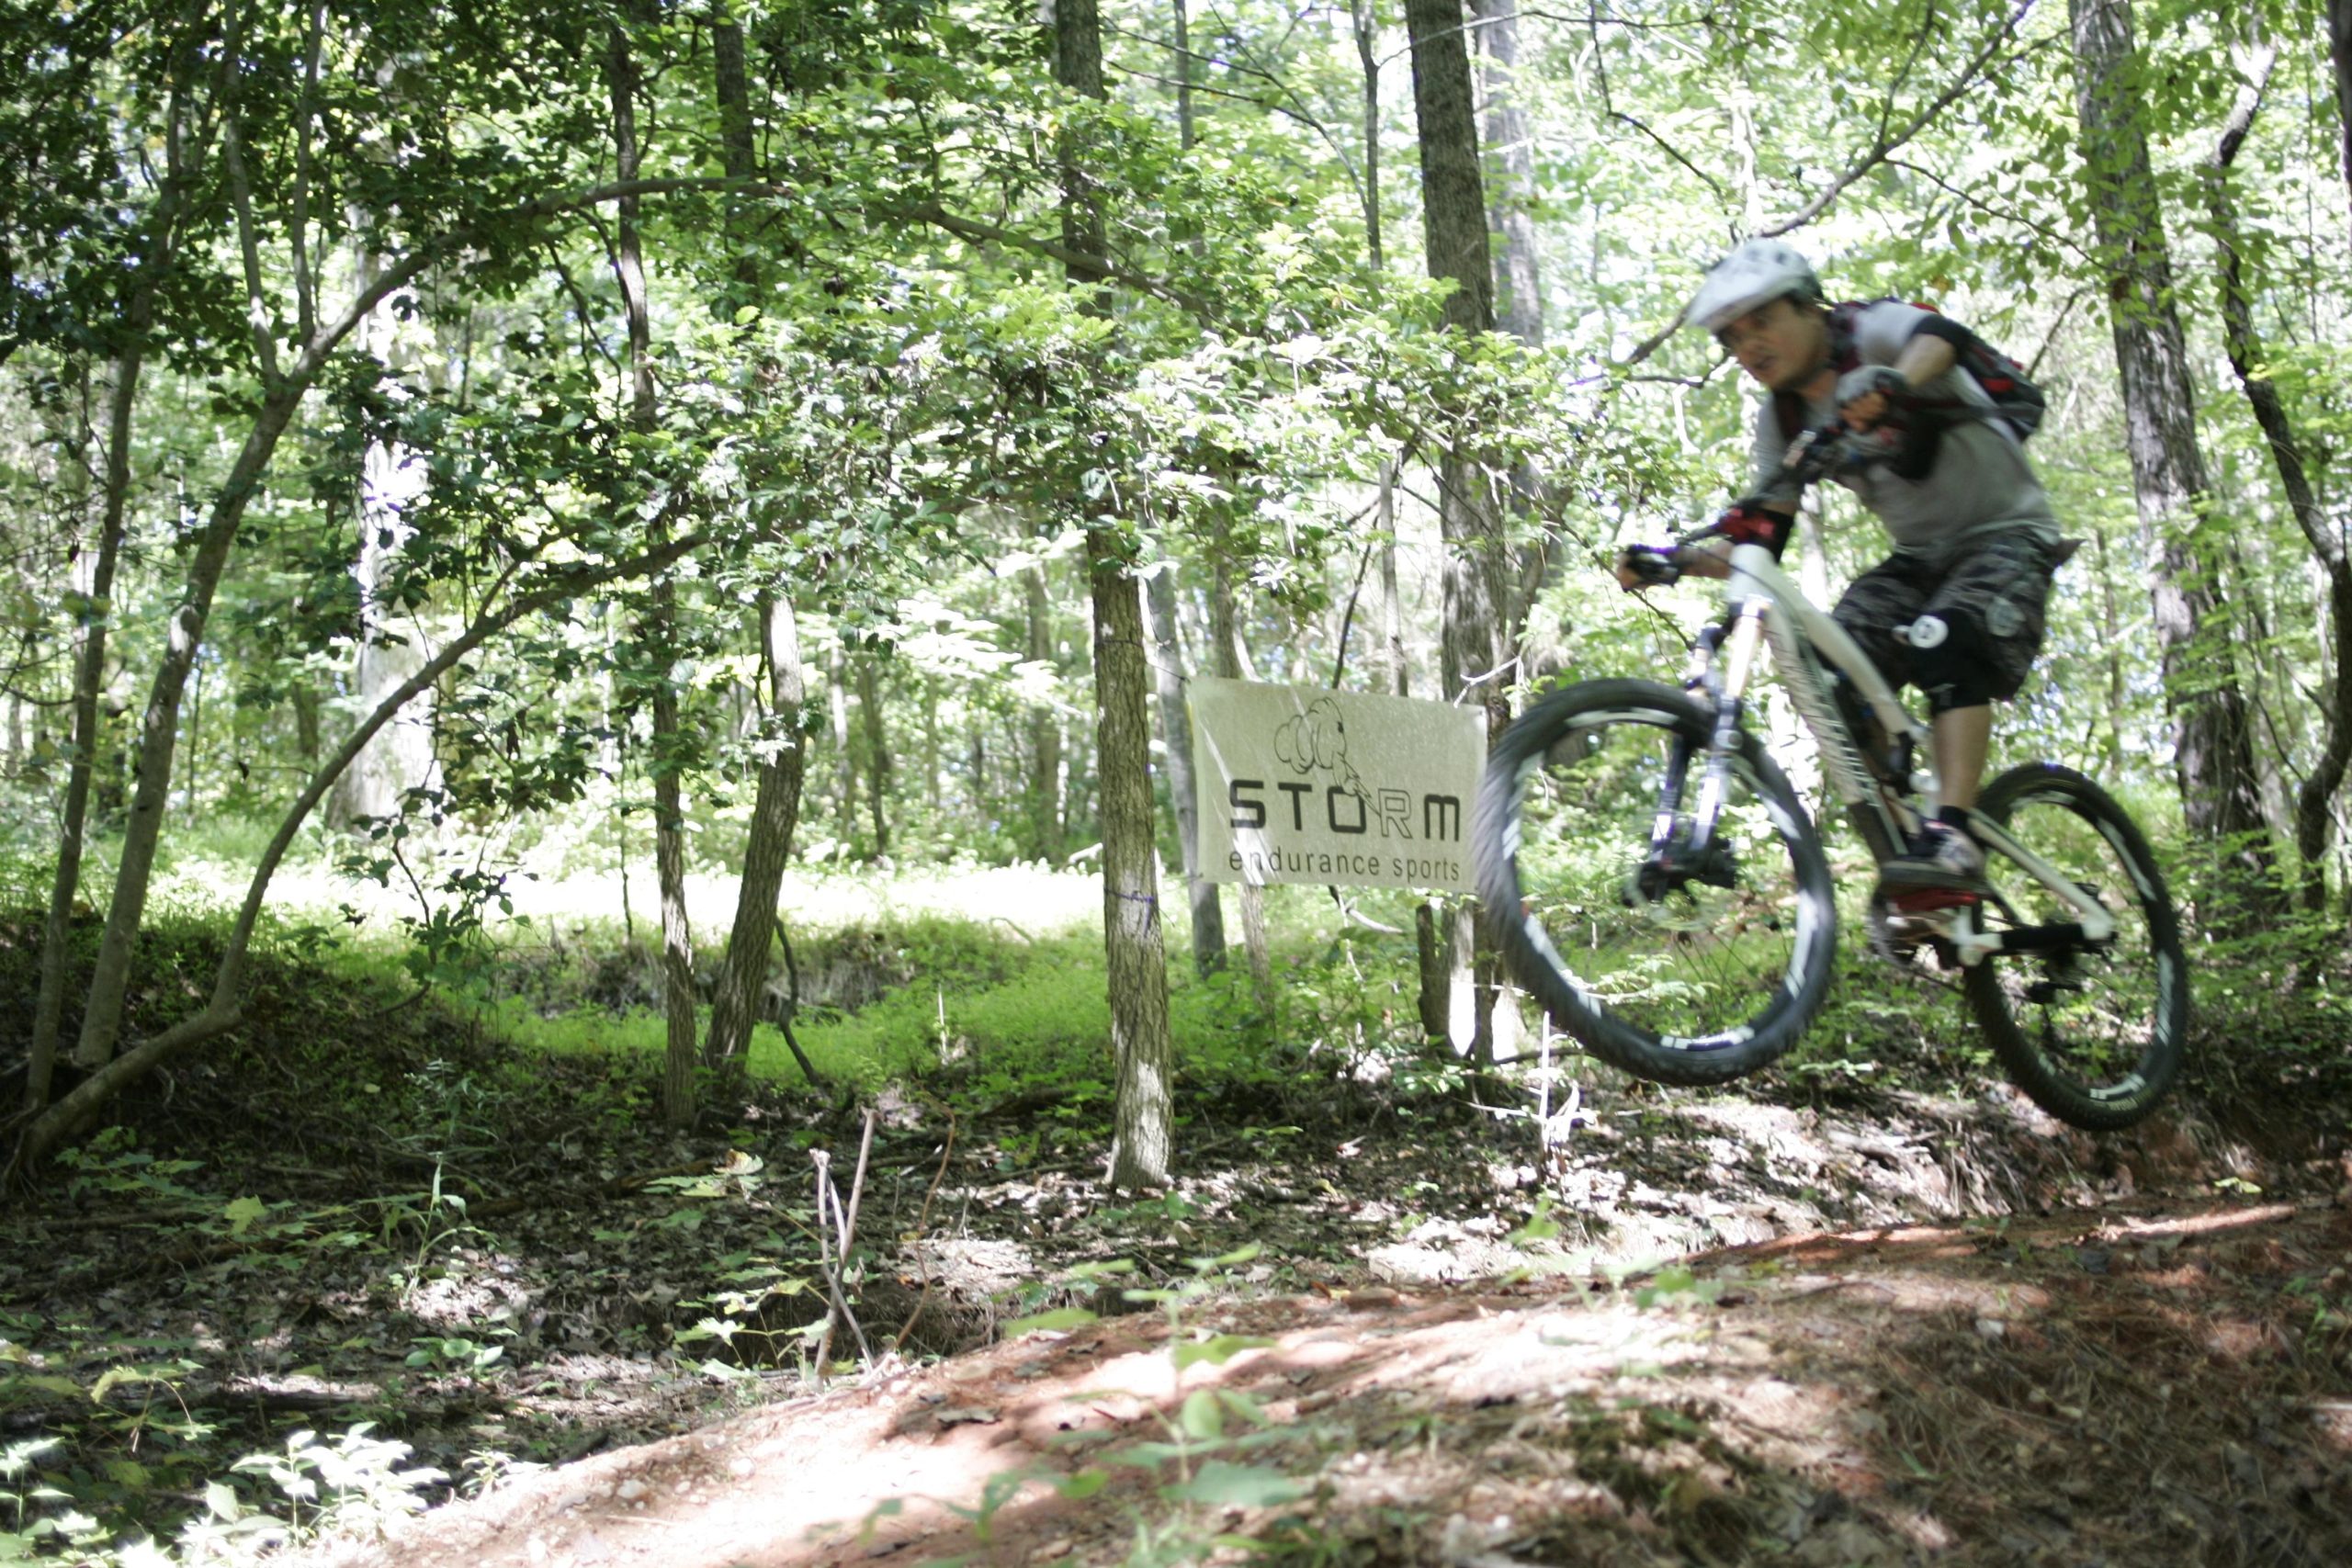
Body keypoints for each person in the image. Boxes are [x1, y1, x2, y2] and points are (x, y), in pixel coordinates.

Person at [1618, 238, 2068, 905]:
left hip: (2008, 535)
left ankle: (1954, 831)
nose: (1750, 348)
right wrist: (1675, 562)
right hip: (1918, 560)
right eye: (1733, 340)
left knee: (1948, 637)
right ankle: (1914, 852)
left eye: (1762, 322)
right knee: (1829, 678)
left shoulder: (1869, 330)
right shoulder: (1784, 416)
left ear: (1809, 308)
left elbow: (1939, 337)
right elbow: (1762, 534)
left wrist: (1894, 382)